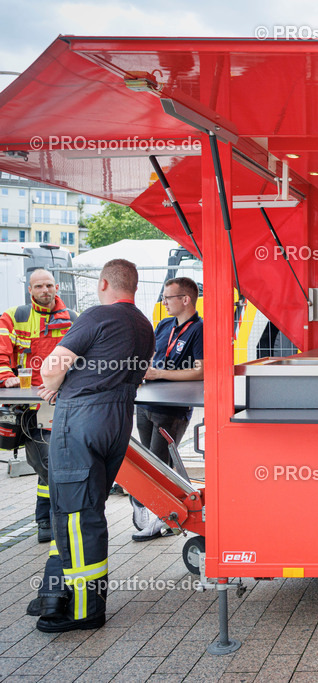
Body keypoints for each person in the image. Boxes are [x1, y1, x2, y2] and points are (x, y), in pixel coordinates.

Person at [32, 259, 155, 633]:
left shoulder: (97, 315)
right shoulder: (143, 325)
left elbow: (54, 365)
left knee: (75, 513)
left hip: (82, 418)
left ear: (103, 283)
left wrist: (52, 381)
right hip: (117, 419)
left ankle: (85, 609)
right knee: (79, 508)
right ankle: (56, 593)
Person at [0, 269, 77, 543]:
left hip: (64, 403)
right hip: (31, 407)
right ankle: (50, 519)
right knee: (47, 462)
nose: (45, 290)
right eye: (39, 286)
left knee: (55, 462)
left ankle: (49, 519)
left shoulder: (73, 319)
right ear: (30, 290)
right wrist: (6, 376)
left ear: (56, 287)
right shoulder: (14, 317)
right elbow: (1, 351)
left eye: (49, 285)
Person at [131, 277, 203, 542]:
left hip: (171, 407)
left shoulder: (200, 329)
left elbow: (200, 371)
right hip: (148, 400)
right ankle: (153, 511)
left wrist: (160, 374)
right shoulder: (163, 325)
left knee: (159, 464)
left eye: (167, 298)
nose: (164, 302)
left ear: (185, 300)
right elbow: (152, 356)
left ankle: (160, 518)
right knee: (149, 460)